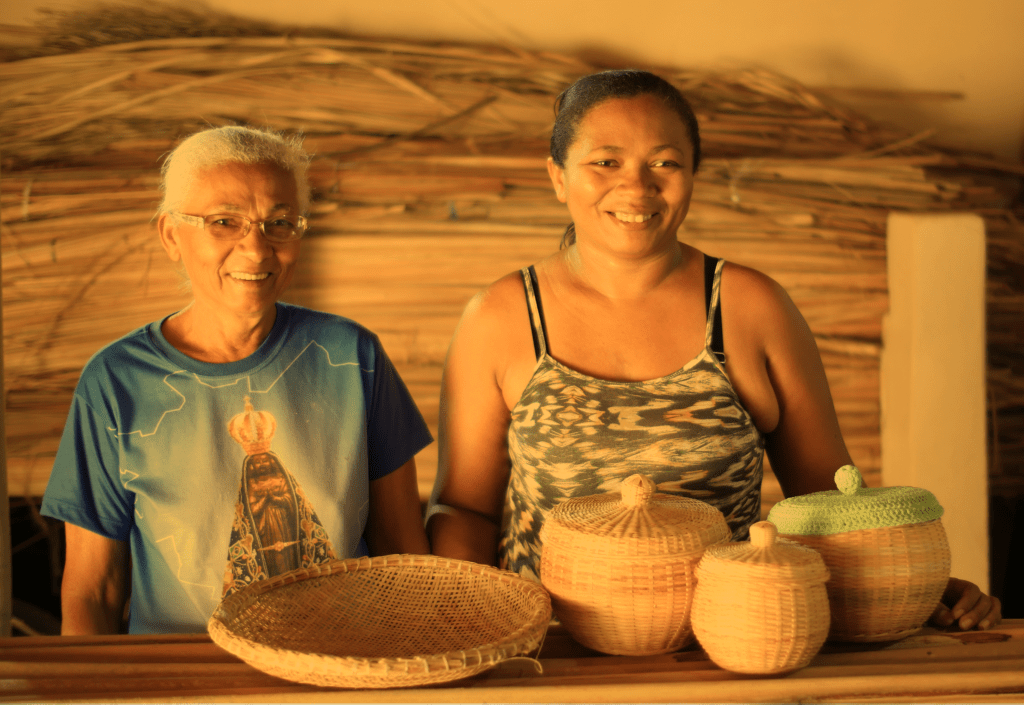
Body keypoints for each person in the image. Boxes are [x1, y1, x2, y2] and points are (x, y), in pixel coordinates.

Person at [427, 69, 1001, 632]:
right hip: (548, 651)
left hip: (733, 645)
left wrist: (919, 586)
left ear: (693, 174)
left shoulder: (752, 308)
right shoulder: (501, 318)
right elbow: (464, 510)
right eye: (606, 161)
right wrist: (472, 625)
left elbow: (829, 505)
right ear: (557, 177)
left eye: (664, 162)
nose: (637, 186)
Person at [40, 126, 432, 635]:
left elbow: (403, 556)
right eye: (224, 222)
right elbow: (95, 591)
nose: (256, 249)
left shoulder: (352, 357)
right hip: (183, 682)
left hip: (341, 670)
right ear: (171, 235)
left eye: (280, 223)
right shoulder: (116, 382)